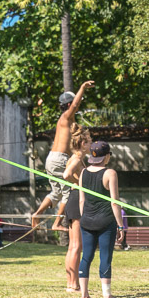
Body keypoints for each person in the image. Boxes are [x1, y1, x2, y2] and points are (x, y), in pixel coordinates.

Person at [31, 80, 94, 228]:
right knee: (68, 192)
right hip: (59, 159)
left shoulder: (65, 120)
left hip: (52, 158)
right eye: (74, 104)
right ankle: (57, 223)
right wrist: (82, 87)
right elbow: (75, 105)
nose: (77, 107)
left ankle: (36, 214)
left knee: (56, 193)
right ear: (68, 105)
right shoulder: (66, 116)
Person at [78, 140, 126, 298]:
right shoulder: (110, 173)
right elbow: (114, 202)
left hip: (86, 221)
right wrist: (120, 225)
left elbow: (81, 200)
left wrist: (84, 218)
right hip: (106, 221)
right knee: (105, 256)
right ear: (107, 156)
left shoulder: (83, 173)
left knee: (86, 257)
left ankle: (84, 295)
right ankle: (107, 296)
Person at [62, 126, 91, 292]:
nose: (92, 143)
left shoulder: (79, 158)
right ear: (82, 143)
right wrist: (79, 183)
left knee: (74, 246)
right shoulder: (78, 157)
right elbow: (66, 174)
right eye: (89, 140)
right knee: (76, 246)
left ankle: (72, 283)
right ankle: (73, 284)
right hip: (76, 199)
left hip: (74, 199)